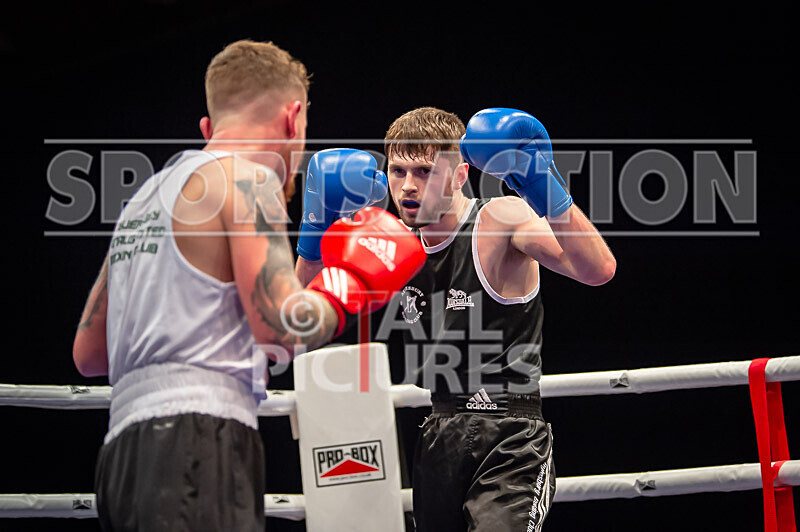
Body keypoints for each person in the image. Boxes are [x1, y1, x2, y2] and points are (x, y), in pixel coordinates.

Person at [72, 39, 424, 531]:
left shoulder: (141, 202)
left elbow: (89, 353)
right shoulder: (247, 182)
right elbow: (282, 329)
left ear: (208, 128)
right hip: (199, 443)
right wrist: (350, 283)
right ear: (292, 117)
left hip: (120, 459)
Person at [382, 106, 617, 531]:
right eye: (397, 172)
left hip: (509, 435)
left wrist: (548, 188)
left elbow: (597, 269)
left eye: (424, 171)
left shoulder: (501, 218)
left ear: (458, 175)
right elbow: (304, 319)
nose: (409, 186)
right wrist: (312, 242)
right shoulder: (393, 244)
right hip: (438, 432)